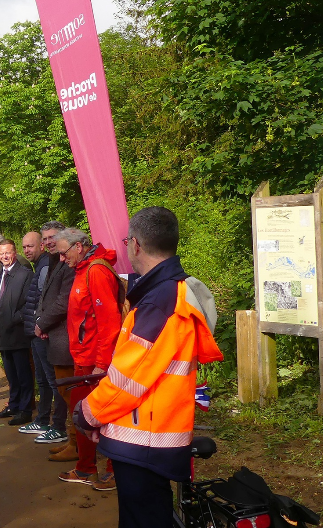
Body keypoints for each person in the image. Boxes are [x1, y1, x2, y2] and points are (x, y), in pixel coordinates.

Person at [75, 207, 223, 527]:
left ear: (136, 245)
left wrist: (88, 412)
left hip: (144, 441)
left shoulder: (159, 301)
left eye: (128, 241)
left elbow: (128, 378)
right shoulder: (176, 291)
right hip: (158, 429)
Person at [55, 227, 121, 490]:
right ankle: (86, 469)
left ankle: (111, 471)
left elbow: (109, 322)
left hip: (95, 362)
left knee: (103, 416)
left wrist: (102, 364)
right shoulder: (84, 270)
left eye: (63, 253)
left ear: (78, 247)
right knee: (82, 414)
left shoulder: (96, 272)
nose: (61, 259)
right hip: (85, 358)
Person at [32, 223, 77, 452]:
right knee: (60, 388)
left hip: (63, 337)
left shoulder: (68, 263)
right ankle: (72, 439)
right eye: (45, 238)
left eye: (52, 238)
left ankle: (74, 441)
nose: (48, 242)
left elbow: (64, 300)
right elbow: (46, 297)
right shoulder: (52, 261)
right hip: (53, 334)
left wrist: (42, 322)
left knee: (68, 393)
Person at [18, 230, 59, 437]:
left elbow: (46, 301)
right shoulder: (42, 265)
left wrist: (39, 323)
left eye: (30, 246)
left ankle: (57, 425)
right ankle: (43, 420)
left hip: (42, 332)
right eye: (24, 247)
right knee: (43, 380)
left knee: (51, 380)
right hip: (36, 331)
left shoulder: (47, 266)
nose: (27, 250)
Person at [0, 239, 34, 426]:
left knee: (23, 374)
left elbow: (29, 303)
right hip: (2, 332)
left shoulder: (24, 274)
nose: (5, 256)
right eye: (1, 253)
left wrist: (15, 319)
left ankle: (25, 409)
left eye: (8, 253)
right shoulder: (1, 272)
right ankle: (13, 405)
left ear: (14, 253)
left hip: (17, 333)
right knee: (11, 374)